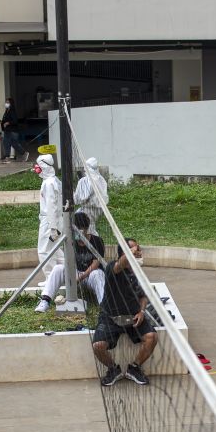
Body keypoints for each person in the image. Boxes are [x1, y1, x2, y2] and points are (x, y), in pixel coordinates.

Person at [92, 238, 156, 387]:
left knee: (151, 337)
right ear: (124, 254)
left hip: (133, 317)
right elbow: (120, 264)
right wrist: (130, 252)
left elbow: (143, 296)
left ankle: (134, 368)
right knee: (98, 346)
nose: (138, 252)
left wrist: (141, 311)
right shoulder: (112, 268)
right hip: (110, 317)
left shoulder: (138, 274)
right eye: (133, 250)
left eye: (137, 250)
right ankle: (114, 369)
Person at [36, 211, 106, 311]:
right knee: (58, 268)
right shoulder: (70, 241)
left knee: (97, 273)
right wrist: (73, 276)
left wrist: (81, 277)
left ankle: (104, 306)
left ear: (86, 228)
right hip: (75, 274)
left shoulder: (97, 240)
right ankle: (45, 300)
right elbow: (68, 261)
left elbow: (96, 263)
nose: (78, 233)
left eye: (81, 229)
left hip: (90, 276)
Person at [35, 154, 62, 277]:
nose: (36, 168)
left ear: (44, 167)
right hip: (53, 219)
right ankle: (69, 272)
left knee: (44, 251)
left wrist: (52, 227)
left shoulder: (49, 183)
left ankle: (50, 278)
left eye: (39, 166)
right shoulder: (53, 180)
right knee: (56, 251)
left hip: (49, 221)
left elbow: (52, 206)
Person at [73, 157, 108, 236]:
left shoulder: (87, 180)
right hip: (99, 208)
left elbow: (82, 198)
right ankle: (90, 242)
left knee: (84, 226)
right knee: (90, 225)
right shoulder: (101, 179)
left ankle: (90, 243)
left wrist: (73, 196)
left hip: (89, 207)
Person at [0, 97, 28, 162]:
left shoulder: (12, 111)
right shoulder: (7, 111)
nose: (6, 103)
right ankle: (24, 153)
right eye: (6, 102)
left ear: (11, 103)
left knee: (6, 142)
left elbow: (15, 121)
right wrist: (2, 122)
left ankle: (7, 157)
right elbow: (6, 120)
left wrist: (8, 122)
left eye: (8, 102)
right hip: (8, 130)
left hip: (12, 130)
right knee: (14, 144)